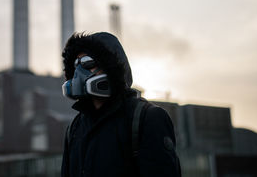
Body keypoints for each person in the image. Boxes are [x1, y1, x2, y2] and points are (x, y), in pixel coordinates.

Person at [61, 32, 181, 177]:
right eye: (76, 64)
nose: (79, 72)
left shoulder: (147, 118)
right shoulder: (75, 128)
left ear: (110, 66)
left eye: (87, 62)